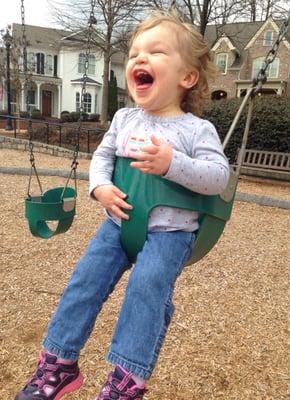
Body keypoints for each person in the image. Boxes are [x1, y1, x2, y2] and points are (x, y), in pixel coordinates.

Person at [15, 10, 229, 400]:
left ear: (187, 77)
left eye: (156, 51)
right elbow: (102, 158)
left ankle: (127, 379)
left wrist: (173, 164)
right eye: (134, 53)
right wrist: (100, 189)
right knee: (84, 282)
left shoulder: (197, 130)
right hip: (117, 224)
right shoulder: (124, 118)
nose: (139, 59)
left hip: (171, 233)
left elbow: (218, 177)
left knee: (146, 289)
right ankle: (59, 363)